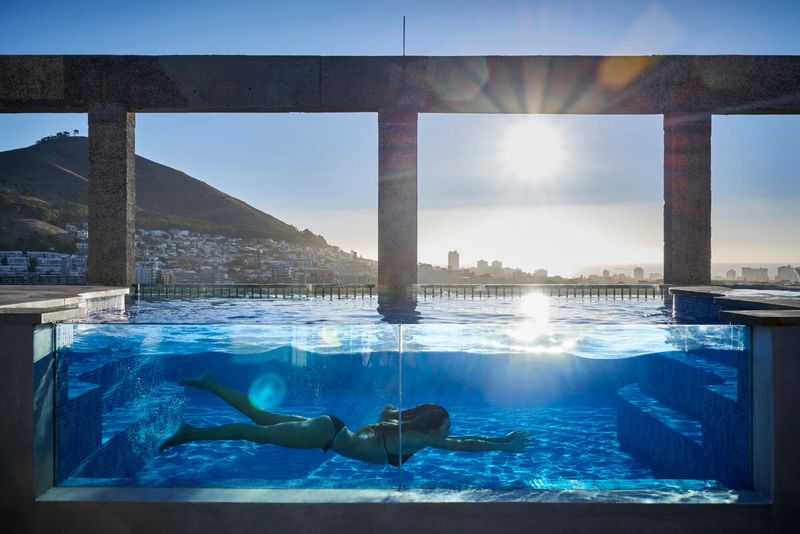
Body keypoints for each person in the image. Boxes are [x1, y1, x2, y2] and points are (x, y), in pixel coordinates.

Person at [159, 372, 531, 465]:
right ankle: (191, 433)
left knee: (260, 417)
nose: (450, 432)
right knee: (255, 431)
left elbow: (460, 439)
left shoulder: (405, 430)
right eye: (446, 426)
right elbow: (462, 445)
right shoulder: (417, 438)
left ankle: (211, 383)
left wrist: (501, 440)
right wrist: (503, 447)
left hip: (331, 428)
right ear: (433, 428)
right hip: (328, 434)